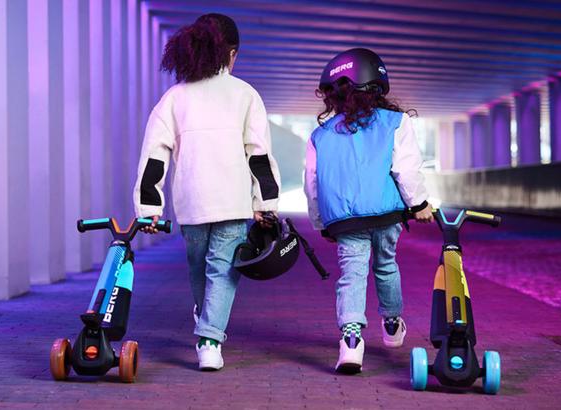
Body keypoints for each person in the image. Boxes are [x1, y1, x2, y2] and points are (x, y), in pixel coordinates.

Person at [133, 13, 280, 371]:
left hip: (191, 203)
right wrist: (266, 203)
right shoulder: (246, 95)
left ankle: (209, 332)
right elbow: (258, 155)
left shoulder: (174, 98)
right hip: (232, 202)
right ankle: (210, 336)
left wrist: (149, 208)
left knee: (200, 268)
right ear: (231, 54)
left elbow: (155, 155)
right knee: (220, 270)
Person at [303, 48, 433, 374]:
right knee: (386, 265)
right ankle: (391, 323)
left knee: (352, 275)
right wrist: (419, 204)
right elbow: (406, 169)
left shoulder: (320, 135)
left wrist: (321, 223)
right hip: (386, 214)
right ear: (377, 85)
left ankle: (350, 341)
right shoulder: (395, 122)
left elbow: (313, 184)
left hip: (346, 220)